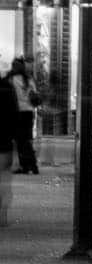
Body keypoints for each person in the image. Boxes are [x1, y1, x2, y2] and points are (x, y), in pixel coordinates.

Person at [6, 57, 39, 174]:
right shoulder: (29, 79)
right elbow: (35, 94)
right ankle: (30, 165)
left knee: (21, 140)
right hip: (29, 112)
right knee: (26, 139)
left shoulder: (11, 79)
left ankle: (29, 165)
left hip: (17, 112)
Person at [0, 69, 17, 226]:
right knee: (4, 178)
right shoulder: (8, 88)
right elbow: (14, 114)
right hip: (4, 140)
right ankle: (2, 214)